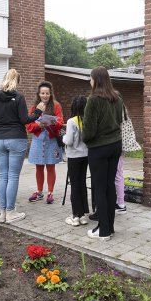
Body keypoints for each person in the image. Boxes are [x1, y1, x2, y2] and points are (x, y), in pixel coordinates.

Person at [0, 68, 45, 223]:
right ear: (18, 82)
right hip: (16, 139)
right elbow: (24, 120)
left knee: (2, 176)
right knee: (13, 176)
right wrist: (38, 112)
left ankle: (2, 213)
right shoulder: (19, 97)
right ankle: (10, 212)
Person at [82, 66, 123, 241]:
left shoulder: (93, 100)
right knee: (109, 186)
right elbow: (120, 121)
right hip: (115, 145)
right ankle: (109, 227)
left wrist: (85, 138)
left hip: (99, 148)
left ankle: (103, 231)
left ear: (96, 80)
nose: (89, 82)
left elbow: (89, 131)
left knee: (100, 188)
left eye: (90, 78)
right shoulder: (117, 98)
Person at [26, 81, 64, 204]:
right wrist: (38, 124)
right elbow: (29, 125)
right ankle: (39, 191)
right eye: (43, 93)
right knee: (39, 166)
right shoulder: (34, 106)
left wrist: (54, 122)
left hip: (51, 139)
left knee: (51, 166)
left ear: (50, 94)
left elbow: (61, 122)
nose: (45, 95)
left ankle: (50, 193)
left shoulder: (56, 105)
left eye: (47, 93)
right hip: (38, 139)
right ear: (39, 94)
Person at [62, 95, 89, 226]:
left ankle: (75, 216)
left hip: (74, 157)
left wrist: (62, 137)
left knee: (75, 185)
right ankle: (83, 215)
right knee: (82, 184)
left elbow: (69, 141)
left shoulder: (72, 121)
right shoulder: (88, 119)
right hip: (86, 156)